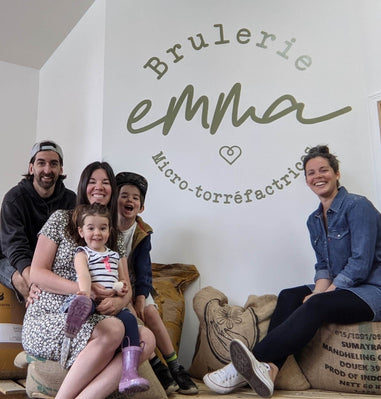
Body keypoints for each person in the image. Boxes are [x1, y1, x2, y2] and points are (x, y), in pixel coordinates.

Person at [203, 145, 381, 398]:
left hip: (371, 290)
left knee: (317, 305)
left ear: (337, 174)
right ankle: (270, 370)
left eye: (324, 170)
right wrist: (321, 290)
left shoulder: (358, 206)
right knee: (288, 295)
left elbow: (360, 264)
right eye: (311, 173)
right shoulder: (314, 220)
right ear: (306, 180)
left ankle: (240, 368)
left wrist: (322, 296)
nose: (317, 176)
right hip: (344, 287)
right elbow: (323, 266)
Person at [22, 161, 156, 399]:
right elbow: (37, 273)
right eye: (93, 181)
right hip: (53, 312)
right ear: (83, 186)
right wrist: (84, 290)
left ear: (113, 190)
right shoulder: (61, 219)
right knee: (114, 329)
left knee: (146, 338)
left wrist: (119, 301)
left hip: (99, 313)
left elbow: (125, 286)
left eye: (106, 182)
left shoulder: (110, 233)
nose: (99, 187)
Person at [116, 171, 199, 395]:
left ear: (141, 207)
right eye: (124, 195)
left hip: (138, 284)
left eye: (135, 198)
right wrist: (130, 299)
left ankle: (175, 365)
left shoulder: (143, 231)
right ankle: (157, 366)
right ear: (115, 199)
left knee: (151, 313)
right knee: (132, 314)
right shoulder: (106, 227)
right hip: (116, 286)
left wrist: (142, 295)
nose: (129, 200)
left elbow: (144, 268)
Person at [63, 202, 149, 394]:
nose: (97, 233)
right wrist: (85, 292)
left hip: (111, 303)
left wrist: (122, 289)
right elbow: (83, 274)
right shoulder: (82, 253)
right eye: (91, 228)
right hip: (90, 297)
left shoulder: (115, 256)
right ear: (82, 231)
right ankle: (75, 319)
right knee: (85, 304)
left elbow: (121, 281)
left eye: (102, 228)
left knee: (129, 320)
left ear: (109, 231)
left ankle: (129, 373)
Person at [0, 140, 76, 302]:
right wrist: (34, 278)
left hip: (50, 264)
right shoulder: (13, 199)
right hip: (12, 260)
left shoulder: (72, 201)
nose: (47, 170)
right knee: (29, 285)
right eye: (41, 163)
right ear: (31, 168)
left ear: (61, 169)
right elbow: (15, 247)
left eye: (53, 164)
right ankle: (33, 326)